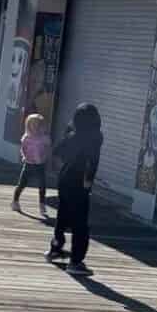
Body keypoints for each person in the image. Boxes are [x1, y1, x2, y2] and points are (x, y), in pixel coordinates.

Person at [47, 102, 103, 277]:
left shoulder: (71, 135)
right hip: (79, 182)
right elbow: (93, 161)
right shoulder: (95, 137)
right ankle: (76, 262)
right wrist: (88, 182)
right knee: (80, 223)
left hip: (64, 179)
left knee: (62, 216)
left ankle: (55, 249)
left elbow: (56, 153)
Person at [13, 113, 50, 217]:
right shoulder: (26, 137)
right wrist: (24, 157)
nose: (35, 127)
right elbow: (23, 149)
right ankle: (15, 201)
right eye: (33, 125)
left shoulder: (44, 138)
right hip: (29, 164)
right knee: (22, 184)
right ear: (28, 126)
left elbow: (47, 149)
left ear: (42, 126)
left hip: (40, 164)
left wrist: (46, 158)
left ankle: (42, 205)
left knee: (42, 185)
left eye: (38, 125)